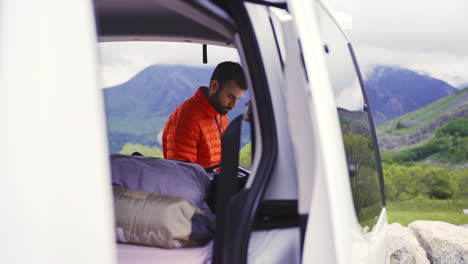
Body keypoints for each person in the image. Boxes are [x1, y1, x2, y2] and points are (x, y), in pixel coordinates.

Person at [162, 61, 247, 168]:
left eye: (237, 99)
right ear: (214, 86)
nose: (233, 106)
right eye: (230, 97)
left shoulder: (221, 114)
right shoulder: (187, 120)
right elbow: (182, 175)